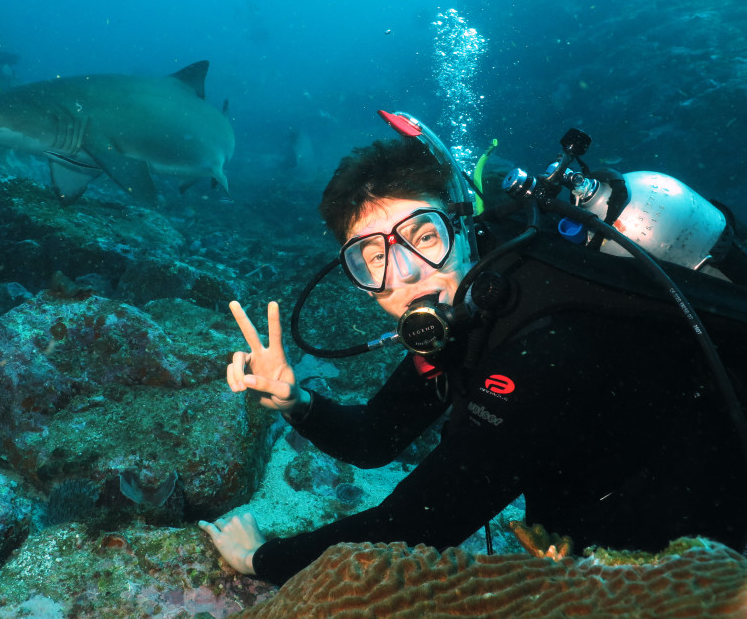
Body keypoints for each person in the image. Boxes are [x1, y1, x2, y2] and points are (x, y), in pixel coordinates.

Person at [199, 112, 747, 586]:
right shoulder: (472, 316)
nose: (407, 273)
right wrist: (298, 403)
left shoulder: (547, 344)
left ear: (464, 226)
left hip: (703, 561)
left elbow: (417, 525)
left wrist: (257, 558)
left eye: (425, 236)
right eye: (372, 257)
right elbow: (377, 438)